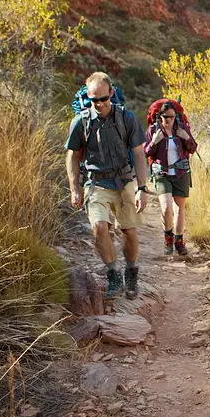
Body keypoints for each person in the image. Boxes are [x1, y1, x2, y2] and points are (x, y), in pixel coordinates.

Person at [65, 72, 150, 299]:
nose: (99, 104)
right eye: (94, 100)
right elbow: (73, 157)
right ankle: (113, 274)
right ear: (88, 98)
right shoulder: (81, 122)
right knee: (100, 229)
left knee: (129, 231)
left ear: (111, 94)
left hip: (123, 181)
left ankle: (131, 271)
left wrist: (142, 188)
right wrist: (75, 188)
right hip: (96, 183)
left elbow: (139, 155)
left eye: (103, 98)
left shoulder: (127, 119)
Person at [144, 99, 197, 256]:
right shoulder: (153, 130)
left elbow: (193, 148)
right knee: (166, 208)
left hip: (181, 172)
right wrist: (154, 141)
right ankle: (168, 238)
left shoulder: (182, 127)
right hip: (162, 173)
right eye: (166, 117)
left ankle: (179, 242)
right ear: (160, 116)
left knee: (179, 209)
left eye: (172, 117)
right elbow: (146, 152)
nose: (169, 120)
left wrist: (185, 137)